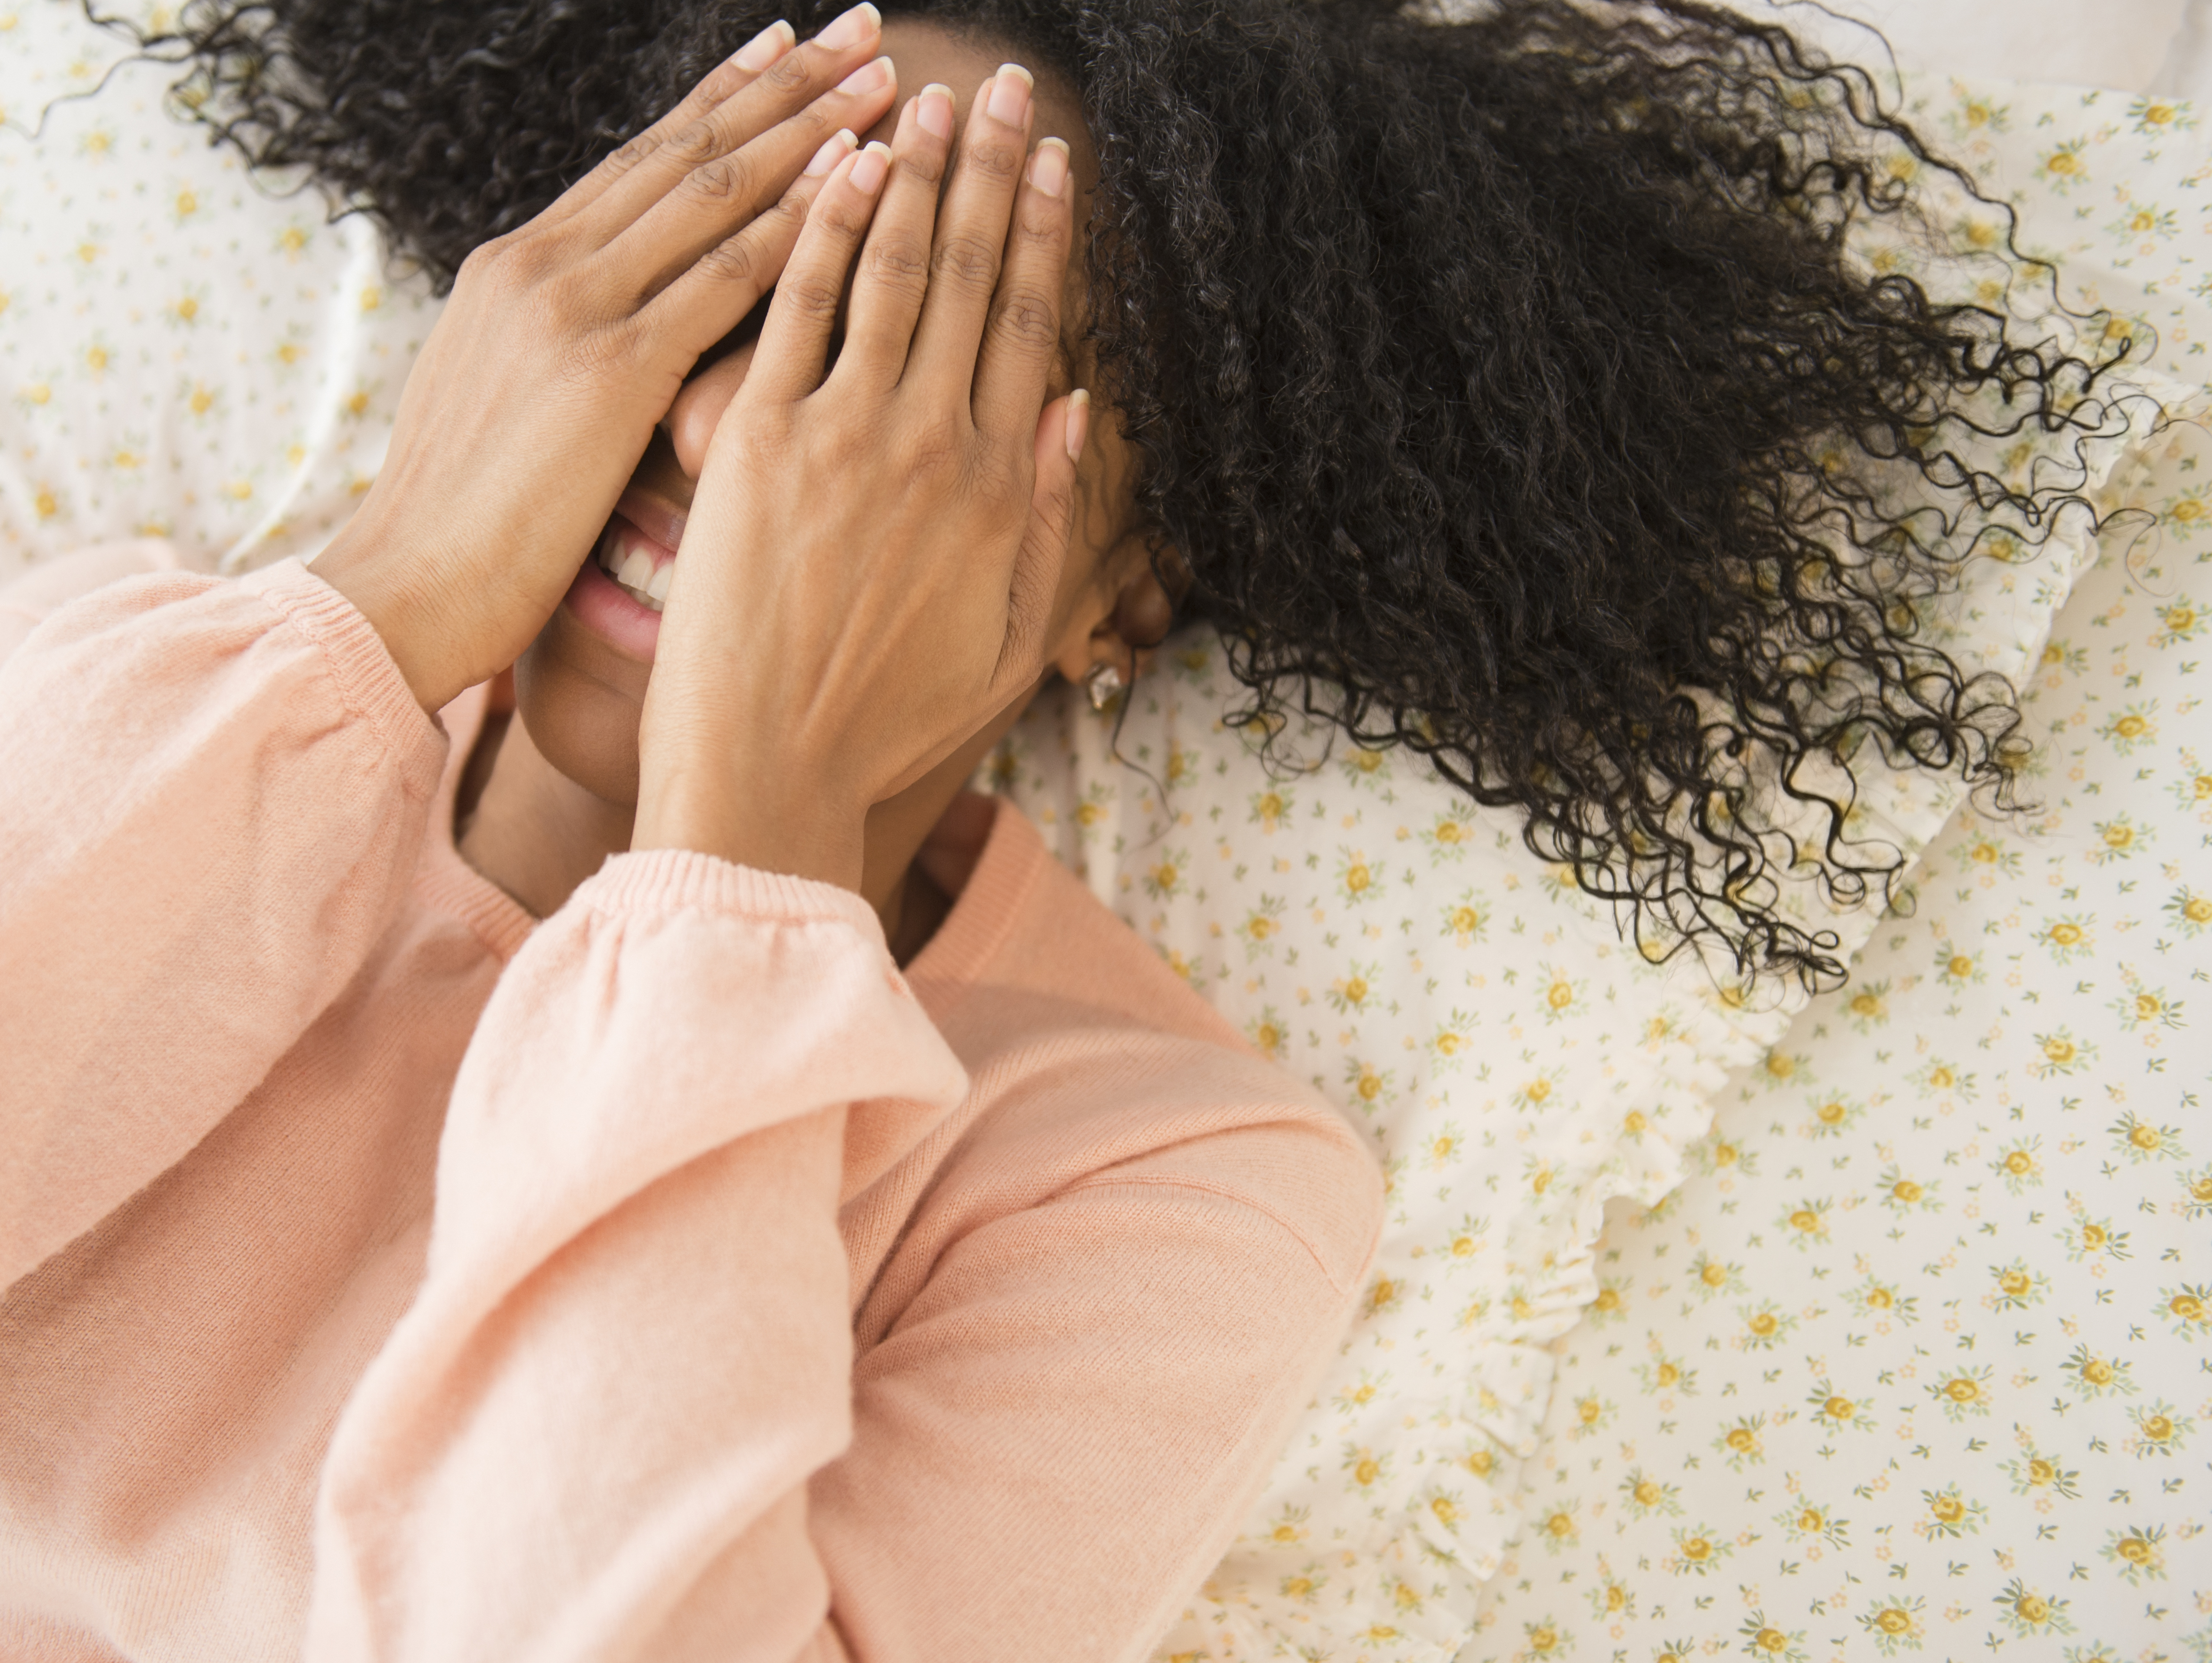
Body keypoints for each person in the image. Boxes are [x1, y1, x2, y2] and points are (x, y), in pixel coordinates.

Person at [0, 0, 2121, 1657]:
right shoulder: (156, 686)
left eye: (908, 373)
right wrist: (386, 589)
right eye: (731, 285)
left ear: (1127, 590)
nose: (742, 424)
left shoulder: (1165, 1183)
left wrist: (749, 830)